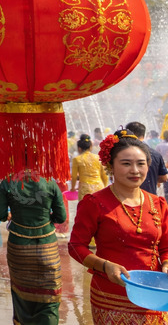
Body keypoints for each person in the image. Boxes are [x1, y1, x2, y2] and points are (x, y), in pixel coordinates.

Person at [69, 129, 168, 323]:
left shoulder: (159, 204)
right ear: (110, 166)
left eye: (141, 164)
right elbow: (75, 246)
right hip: (111, 296)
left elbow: (166, 246)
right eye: (126, 164)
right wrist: (104, 265)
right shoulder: (95, 203)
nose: (135, 170)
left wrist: (166, 263)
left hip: (153, 295)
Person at [0, 173, 67, 325]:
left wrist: (10, 216)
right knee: (50, 294)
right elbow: (61, 217)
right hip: (47, 244)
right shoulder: (49, 182)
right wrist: (48, 219)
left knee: (22, 293)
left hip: (19, 245)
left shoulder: (8, 182)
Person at [126, 121, 168, 195]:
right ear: (143, 135)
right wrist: (152, 178)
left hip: (127, 200)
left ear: (126, 133)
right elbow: (164, 178)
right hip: (150, 199)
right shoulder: (155, 154)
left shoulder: (121, 154)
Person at [70, 134, 108, 200]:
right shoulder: (98, 158)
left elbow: (74, 176)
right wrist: (104, 186)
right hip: (99, 187)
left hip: (85, 189)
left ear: (79, 148)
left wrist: (73, 188)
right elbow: (105, 175)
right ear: (90, 147)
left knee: (85, 208)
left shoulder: (77, 159)